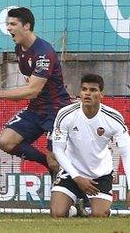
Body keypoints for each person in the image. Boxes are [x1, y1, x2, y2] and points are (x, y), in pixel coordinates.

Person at [0, 7, 71, 176]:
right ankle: (45, 163)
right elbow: (31, 87)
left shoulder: (43, 53)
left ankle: (76, 198)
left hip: (55, 110)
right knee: (5, 142)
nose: (8, 28)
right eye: (7, 24)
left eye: (13, 24)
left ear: (27, 26)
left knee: (55, 160)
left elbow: (32, 90)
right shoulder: (19, 49)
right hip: (35, 109)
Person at [49, 74, 130, 218]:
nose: (87, 93)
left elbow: (127, 153)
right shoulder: (66, 114)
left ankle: (104, 210)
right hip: (72, 172)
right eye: (84, 89)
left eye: (93, 90)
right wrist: (77, 177)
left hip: (100, 175)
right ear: (80, 92)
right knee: (57, 213)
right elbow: (58, 151)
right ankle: (74, 210)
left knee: (99, 215)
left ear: (101, 95)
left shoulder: (113, 118)